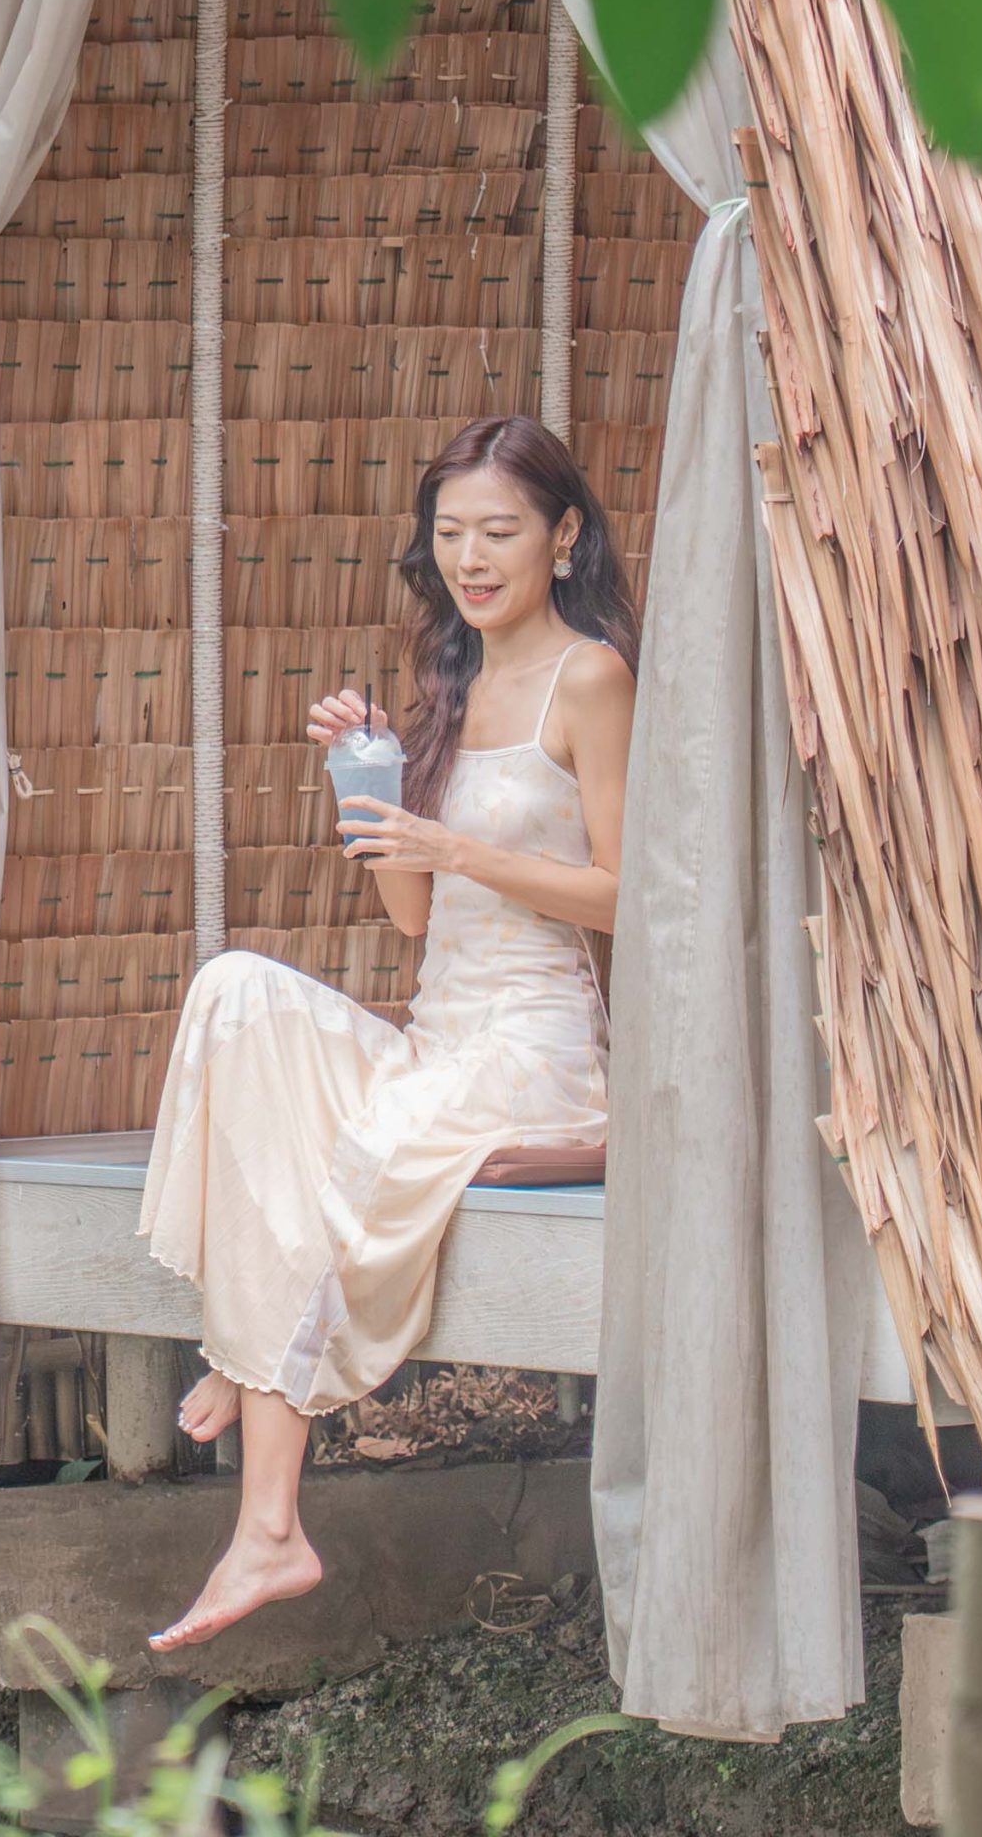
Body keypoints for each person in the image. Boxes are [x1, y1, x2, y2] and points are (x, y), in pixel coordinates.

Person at [137, 413, 638, 1649]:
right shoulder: (447, 690)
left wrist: (456, 843)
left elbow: (628, 895)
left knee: (357, 1150)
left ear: (564, 535)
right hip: (441, 1038)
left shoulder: (591, 678)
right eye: (451, 532)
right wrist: (367, 782)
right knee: (234, 993)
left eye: (500, 530)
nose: (471, 557)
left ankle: (269, 1517)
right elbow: (413, 918)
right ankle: (255, 1341)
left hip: (539, 1053)